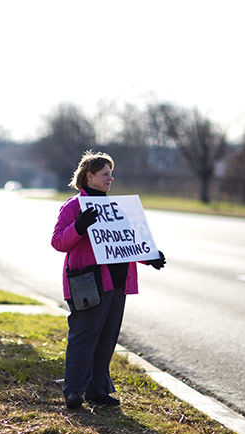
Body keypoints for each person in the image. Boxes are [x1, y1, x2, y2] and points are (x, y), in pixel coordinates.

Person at [51, 150, 166, 409]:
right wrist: (79, 226)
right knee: (83, 336)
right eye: (105, 174)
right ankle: (73, 392)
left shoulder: (117, 207)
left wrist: (151, 256)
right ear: (89, 176)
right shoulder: (74, 206)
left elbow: (128, 242)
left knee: (106, 337)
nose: (110, 178)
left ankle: (97, 390)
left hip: (117, 282)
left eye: (111, 174)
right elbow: (58, 241)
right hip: (87, 282)